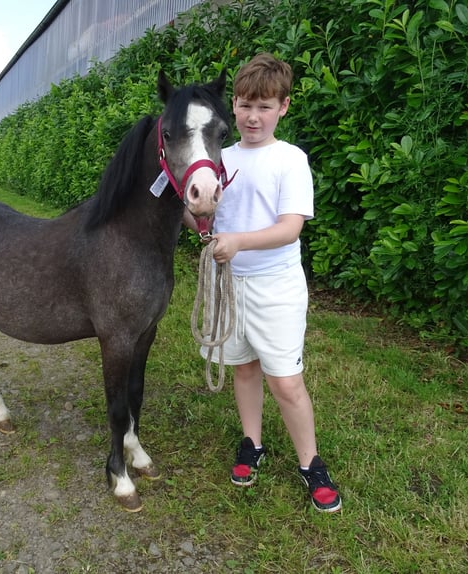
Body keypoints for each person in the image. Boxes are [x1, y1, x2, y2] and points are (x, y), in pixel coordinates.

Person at [184, 52, 341, 512]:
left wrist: (236, 241)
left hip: (275, 287)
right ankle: (252, 443)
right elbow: (206, 219)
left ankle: (310, 463)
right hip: (226, 285)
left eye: (265, 106)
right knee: (244, 367)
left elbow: (290, 227)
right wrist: (199, 220)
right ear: (231, 105)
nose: (254, 116)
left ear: (283, 108)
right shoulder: (217, 158)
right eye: (245, 104)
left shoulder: (290, 160)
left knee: (286, 382)